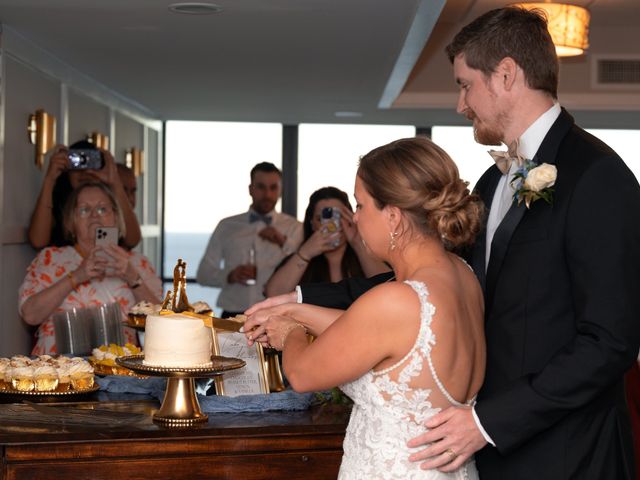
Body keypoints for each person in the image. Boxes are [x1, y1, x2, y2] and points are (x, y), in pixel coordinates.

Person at [246, 7, 640, 479]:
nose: (461, 104)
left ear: (506, 76)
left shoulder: (597, 176)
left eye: (464, 84)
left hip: (566, 452)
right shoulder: (495, 183)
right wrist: (302, 298)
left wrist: (488, 422)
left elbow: (610, 341)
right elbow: (423, 285)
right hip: (478, 452)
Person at [243, 137, 486, 479]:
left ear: (394, 216)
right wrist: (296, 311)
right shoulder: (462, 273)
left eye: (359, 206)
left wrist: (291, 331)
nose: (354, 220)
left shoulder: (396, 300)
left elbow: (302, 374)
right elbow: (375, 333)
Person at [19, 182, 162, 355]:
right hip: (58, 371)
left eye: (102, 209)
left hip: (119, 374)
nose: (95, 215)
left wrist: (133, 278)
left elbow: (162, 325)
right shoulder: (50, 258)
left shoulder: (138, 263)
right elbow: (30, 315)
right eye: (84, 210)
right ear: (71, 221)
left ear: (116, 218)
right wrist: (77, 276)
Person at [196, 162, 303, 317]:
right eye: (261, 187)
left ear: (280, 191)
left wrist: (283, 242)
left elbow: (303, 268)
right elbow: (203, 274)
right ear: (250, 189)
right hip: (232, 314)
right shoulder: (226, 226)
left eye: (273, 188)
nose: (267, 194)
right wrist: (229, 275)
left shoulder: (295, 228)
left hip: (279, 313)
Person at [264, 186, 389, 297]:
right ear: (312, 223)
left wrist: (357, 242)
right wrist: (305, 253)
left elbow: (390, 286)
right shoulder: (300, 259)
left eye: (337, 217)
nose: (331, 225)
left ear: (350, 218)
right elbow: (273, 294)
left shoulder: (367, 256)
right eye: (322, 218)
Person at [28, 141, 142, 249]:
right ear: (67, 168)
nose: (85, 172)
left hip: (104, 264)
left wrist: (115, 181)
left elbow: (132, 240)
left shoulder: (108, 203)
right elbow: (38, 241)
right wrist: (50, 179)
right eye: (77, 163)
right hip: (66, 267)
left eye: (90, 162)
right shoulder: (58, 202)